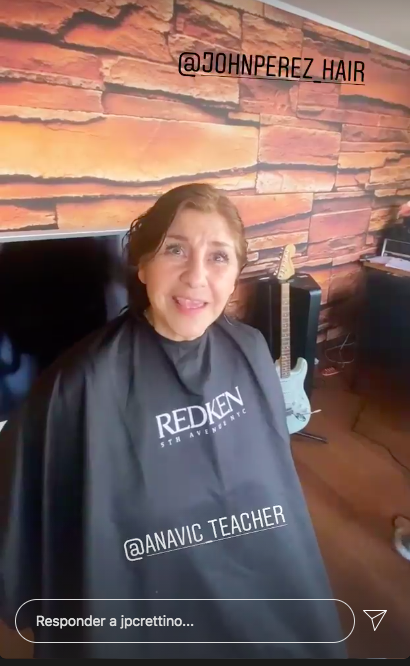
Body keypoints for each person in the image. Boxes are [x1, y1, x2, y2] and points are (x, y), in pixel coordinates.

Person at [0, 184, 348, 659]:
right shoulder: (79, 382)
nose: (196, 276)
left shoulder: (250, 349)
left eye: (218, 257)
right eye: (175, 250)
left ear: (236, 274)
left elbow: (276, 487)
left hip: (259, 588)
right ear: (143, 265)